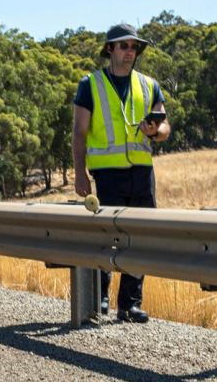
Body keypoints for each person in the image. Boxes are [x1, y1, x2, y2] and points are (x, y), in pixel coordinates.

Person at [71, 23, 171, 323]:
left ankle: (130, 304)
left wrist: (156, 131)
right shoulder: (90, 85)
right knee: (108, 236)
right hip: (107, 174)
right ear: (110, 49)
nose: (130, 52)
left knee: (140, 237)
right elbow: (79, 132)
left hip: (142, 172)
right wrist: (79, 174)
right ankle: (99, 298)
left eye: (134, 47)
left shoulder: (149, 85)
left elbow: (165, 127)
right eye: (124, 46)